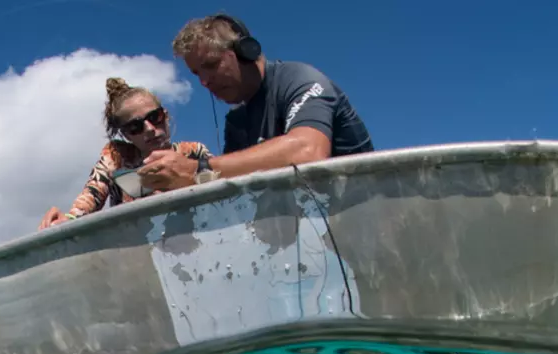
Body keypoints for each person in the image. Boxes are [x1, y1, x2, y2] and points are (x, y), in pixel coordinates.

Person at [138, 13, 373, 192]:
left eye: (211, 65)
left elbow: (308, 151)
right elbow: (234, 189)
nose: (204, 82)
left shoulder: (300, 79)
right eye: (196, 73)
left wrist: (197, 170)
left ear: (245, 52)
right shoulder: (236, 121)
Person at [39, 78, 212, 229]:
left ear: (165, 115)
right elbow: (92, 194)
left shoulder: (194, 152)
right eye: (135, 127)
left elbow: (222, 181)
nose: (150, 129)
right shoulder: (117, 158)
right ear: (125, 134)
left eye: (154, 117)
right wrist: (67, 220)